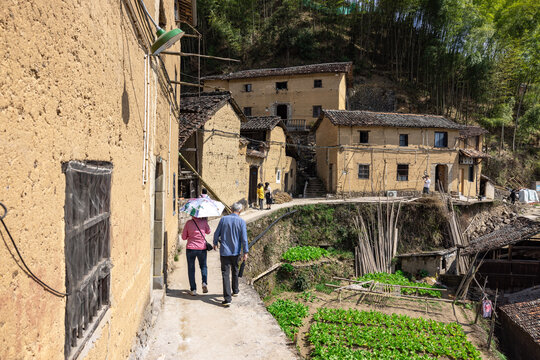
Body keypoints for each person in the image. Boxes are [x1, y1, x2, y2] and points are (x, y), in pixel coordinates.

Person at [213, 202, 249, 306]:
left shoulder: (224, 219)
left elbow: (216, 233)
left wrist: (215, 243)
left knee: (225, 273)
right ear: (240, 211)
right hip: (236, 251)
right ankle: (235, 290)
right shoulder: (241, 222)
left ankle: (227, 299)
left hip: (224, 251)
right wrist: (245, 252)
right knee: (235, 270)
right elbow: (244, 239)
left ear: (231, 209)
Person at [181, 216, 211, 296]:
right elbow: (208, 231)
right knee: (203, 266)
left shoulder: (188, 223)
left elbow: (183, 237)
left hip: (190, 248)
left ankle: (193, 289)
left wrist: (189, 235)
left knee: (191, 269)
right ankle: (204, 283)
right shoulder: (204, 222)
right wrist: (205, 222)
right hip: (202, 248)